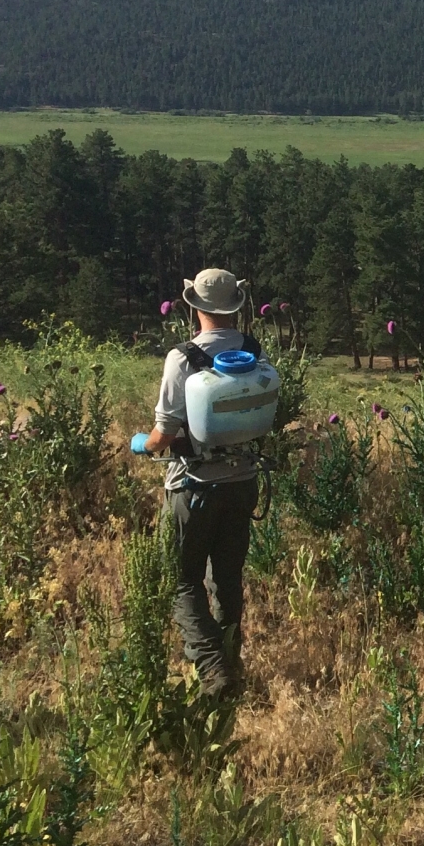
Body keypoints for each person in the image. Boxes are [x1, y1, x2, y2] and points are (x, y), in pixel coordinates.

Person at [133, 268, 260, 698]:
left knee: (181, 579)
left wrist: (143, 445)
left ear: (195, 306)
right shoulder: (253, 350)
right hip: (244, 481)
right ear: (236, 307)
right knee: (226, 577)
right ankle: (231, 661)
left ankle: (212, 669)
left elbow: (163, 435)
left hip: (193, 485)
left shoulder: (182, 358)